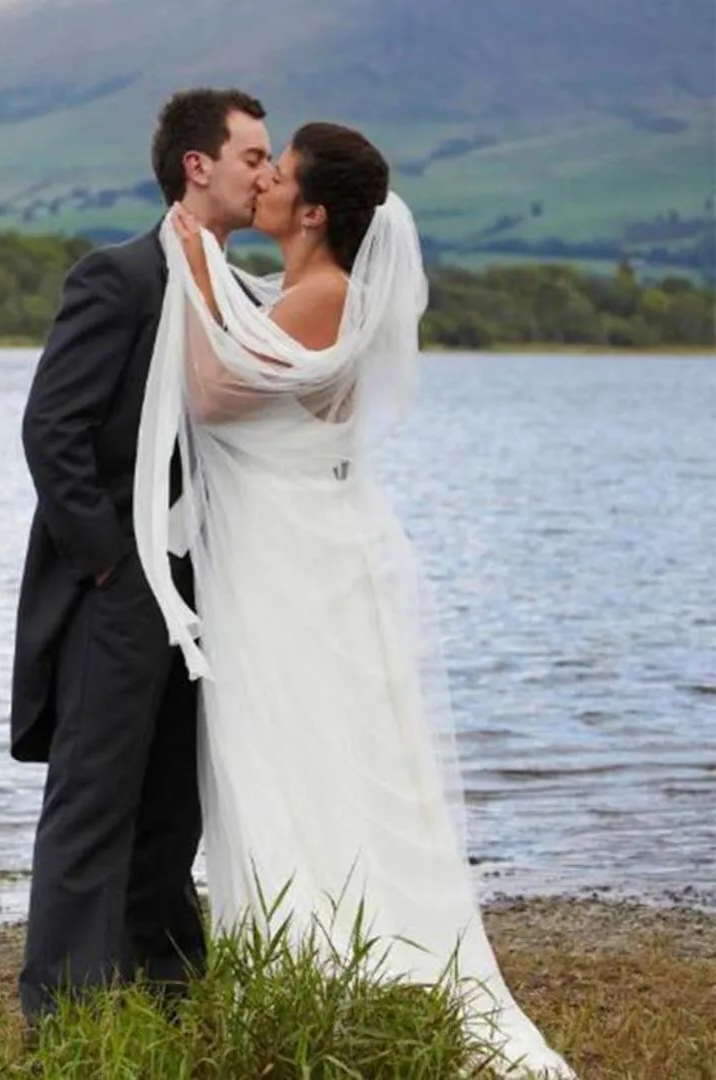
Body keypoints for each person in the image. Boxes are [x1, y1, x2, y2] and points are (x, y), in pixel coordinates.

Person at [143, 121, 576, 1078]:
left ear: (313, 212)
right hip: (291, 548)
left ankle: (331, 965)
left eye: (279, 175)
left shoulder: (326, 294)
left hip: (292, 559)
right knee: (301, 746)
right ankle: (318, 968)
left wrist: (195, 254)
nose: (261, 185)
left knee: (298, 745)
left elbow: (214, 393)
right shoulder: (304, 291)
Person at [11, 87, 274, 1023]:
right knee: (90, 806)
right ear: (196, 165)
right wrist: (111, 566)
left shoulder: (239, 294)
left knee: (172, 811)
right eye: (252, 156)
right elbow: (52, 430)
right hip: (117, 589)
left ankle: (169, 1001)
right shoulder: (116, 278)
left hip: (206, 592)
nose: (266, 174)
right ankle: (62, 1023)